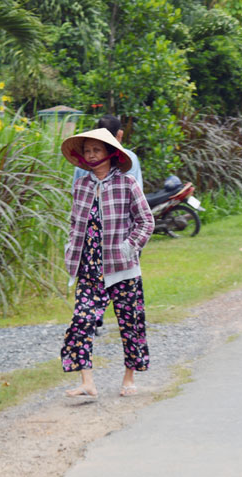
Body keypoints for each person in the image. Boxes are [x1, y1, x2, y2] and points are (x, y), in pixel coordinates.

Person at [60, 128, 155, 398]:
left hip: (122, 268)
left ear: (111, 154)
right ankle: (87, 381)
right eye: (87, 150)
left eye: (97, 150)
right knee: (81, 321)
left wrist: (130, 246)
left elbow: (146, 221)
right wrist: (70, 248)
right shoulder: (81, 185)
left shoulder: (127, 184)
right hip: (89, 268)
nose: (91, 154)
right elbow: (75, 222)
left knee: (131, 323)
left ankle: (128, 378)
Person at [72, 115, 144, 334]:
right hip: (120, 233)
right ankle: (104, 317)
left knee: (98, 276)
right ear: (119, 135)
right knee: (117, 277)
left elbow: (76, 201)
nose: (92, 155)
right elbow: (135, 201)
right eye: (89, 151)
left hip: (94, 234)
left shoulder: (83, 163)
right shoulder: (128, 159)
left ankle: (97, 316)